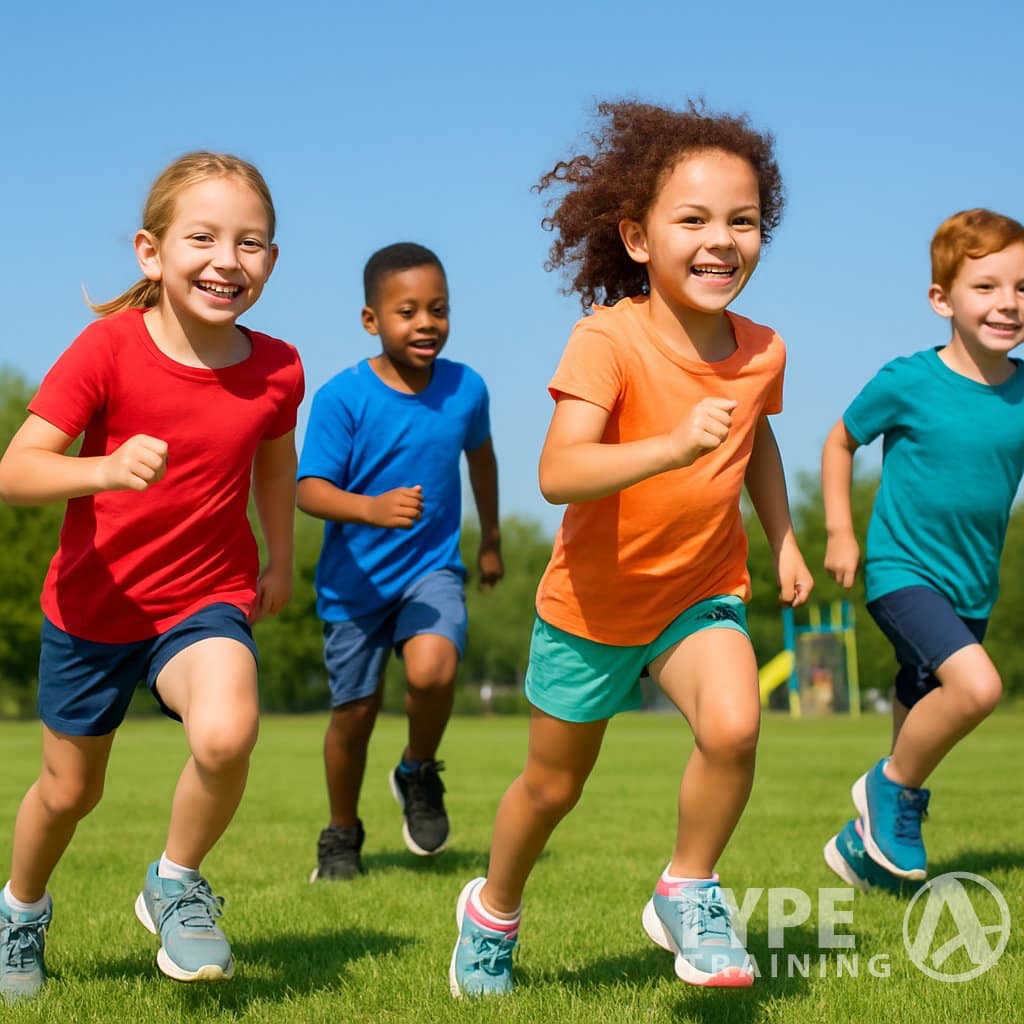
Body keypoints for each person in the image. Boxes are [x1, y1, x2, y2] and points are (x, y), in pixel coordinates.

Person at [449, 100, 813, 997]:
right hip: (592, 609)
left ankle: (688, 887)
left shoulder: (763, 351)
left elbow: (756, 440)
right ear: (638, 238)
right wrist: (673, 444)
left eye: (742, 220)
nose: (720, 239)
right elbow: (559, 472)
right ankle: (492, 911)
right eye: (692, 219)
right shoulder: (607, 338)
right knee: (551, 788)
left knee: (734, 726)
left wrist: (787, 540)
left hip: (699, 591)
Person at [0, 152, 304, 1002]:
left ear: (271, 263)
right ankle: (20, 910)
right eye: (202, 237)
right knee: (68, 793)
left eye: (250, 243)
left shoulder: (278, 367)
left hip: (202, 599)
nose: (226, 260)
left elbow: (275, 464)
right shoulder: (106, 350)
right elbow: (15, 472)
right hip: (92, 609)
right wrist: (100, 472)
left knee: (225, 731)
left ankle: (175, 880)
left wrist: (277, 554)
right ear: (151, 252)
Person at [822, 209, 1024, 887]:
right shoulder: (908, 380)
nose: (1009, 303)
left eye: (1023, 288)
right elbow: (840, 440)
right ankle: (888, 788)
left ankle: (866, 849)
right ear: (943, 299)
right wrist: (843, 532)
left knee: (921, 695)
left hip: (973, 586)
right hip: (902, 571)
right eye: (988, 286)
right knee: (977, 687)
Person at [298, 242, 502, 882]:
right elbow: (309, 490)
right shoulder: (343, 398)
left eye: (437, 309)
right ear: (371, 320)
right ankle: (341, 833)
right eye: (407, 311)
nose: (425, 324)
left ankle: (418, 769)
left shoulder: (466, 388)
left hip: (431, 569)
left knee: (435, 670)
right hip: (354, 583)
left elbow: (483, 458)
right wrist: (370, 509)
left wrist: (490, 535)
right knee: (354, 716)